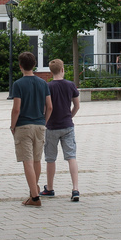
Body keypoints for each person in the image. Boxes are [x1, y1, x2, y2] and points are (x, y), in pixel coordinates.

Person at [10, 51, 51, 206]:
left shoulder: (18, 84)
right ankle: (34, 190)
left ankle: (34, 197)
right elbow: (50, 106)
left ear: (20, 66)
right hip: (40, 125)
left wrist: (12, 125)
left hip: (23, 126)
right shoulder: (43, 83)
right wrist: (44, 121)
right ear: (34, 65)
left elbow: (16, 109)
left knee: (27, 161)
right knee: (36, 159)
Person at [41, 59, 81, 201]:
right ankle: (75, 189)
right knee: (71, 156)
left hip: (52, 126)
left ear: (50, 72)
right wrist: (70, 116)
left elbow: (46, 107)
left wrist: (45, 120)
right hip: (67, 126)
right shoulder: (70, 85)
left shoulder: (47, 86)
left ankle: (50, 188)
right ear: (63, 69)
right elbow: (77, 105)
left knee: (50, 158)